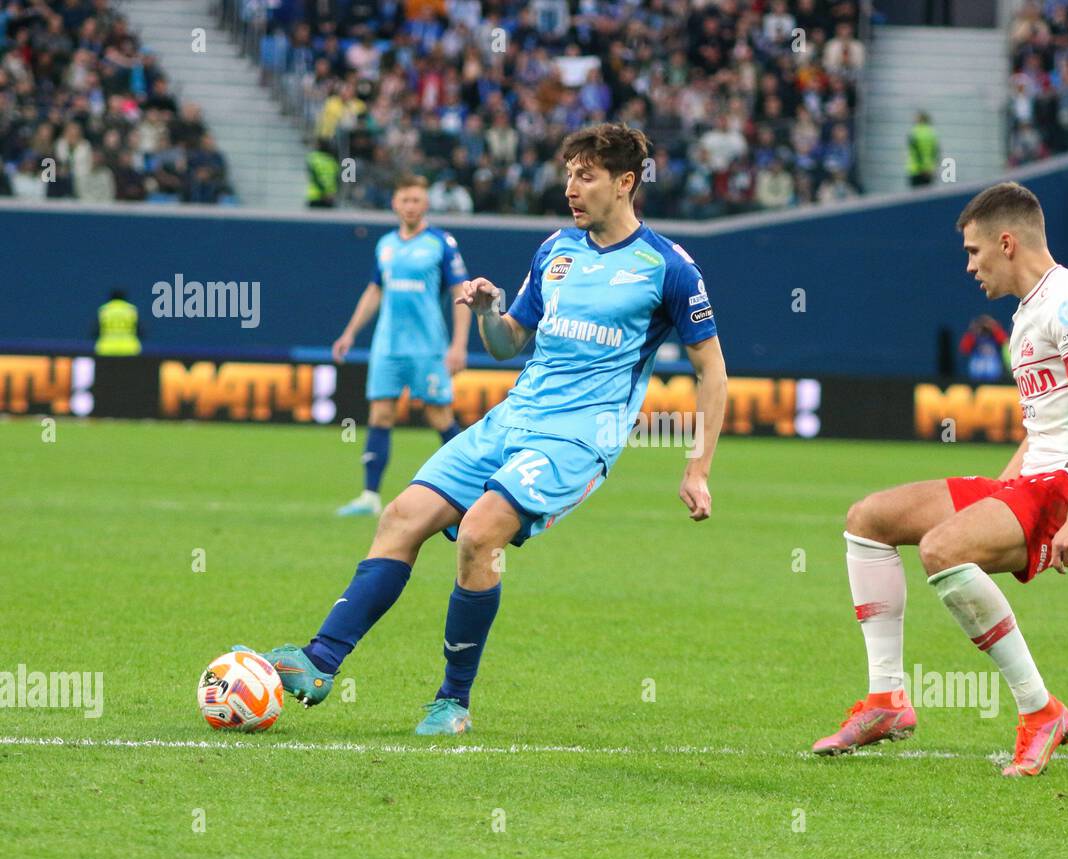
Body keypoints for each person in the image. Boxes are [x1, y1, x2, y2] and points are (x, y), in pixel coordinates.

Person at [239, 124, 728, 735]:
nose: (571, 188)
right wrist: (488, 309)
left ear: (626, 183)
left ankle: (452, 701)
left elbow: (712, 368)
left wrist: (697, 467)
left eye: (586, 175)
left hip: (576, 440)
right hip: (511, 418)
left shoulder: (668, 268)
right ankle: (319, 662)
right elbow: (508, 344)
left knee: (478, 534)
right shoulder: (555, 251)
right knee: (400, 517)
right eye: (568, 174)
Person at [812, 181, 1068, 778]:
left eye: (974, 252)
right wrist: (1006, 487)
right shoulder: (1028, 312)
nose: (969, 266)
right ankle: (886, 702)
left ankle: (1041, 711)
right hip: (1037, 479)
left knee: (942, 549)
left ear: (1006, 242)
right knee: (869, 519)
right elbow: (1042, 427)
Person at [332, 173, 472, 516]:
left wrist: (458, 345)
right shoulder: (385, 245)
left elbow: (460, 293)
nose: (410, 206)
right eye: (405, 200)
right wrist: (350, 332)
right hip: (387, 346)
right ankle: (369, 496)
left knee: (439, 415)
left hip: (428, 347)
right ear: (395, 203)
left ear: (426, 204)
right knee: (380, 413)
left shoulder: (441, 243)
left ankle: (471, 488)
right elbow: (374, 291)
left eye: (417, 200)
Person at [959, 314, 1009, 382]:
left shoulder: (994, 336)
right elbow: (964, 349)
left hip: (994, 373)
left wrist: (994, 327)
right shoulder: (973, 337)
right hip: (976, 374)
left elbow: (1005, 341)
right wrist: (972, 331)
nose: (984, 329)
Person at [93, 289, 141, 356]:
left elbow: (95, 331)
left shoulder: (104, 310)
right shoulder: (131, 310)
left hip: (106, 349)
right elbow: (140, 331)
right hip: (129, 348)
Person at [907, 111, 940, 188]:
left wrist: (922, 168)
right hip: (929, 170)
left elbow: (916, 152)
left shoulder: (914, 132)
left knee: (915, 197)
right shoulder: (932, 133)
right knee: (927, 195)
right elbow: (935, 152)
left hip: (916, 170)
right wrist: (931, 168)